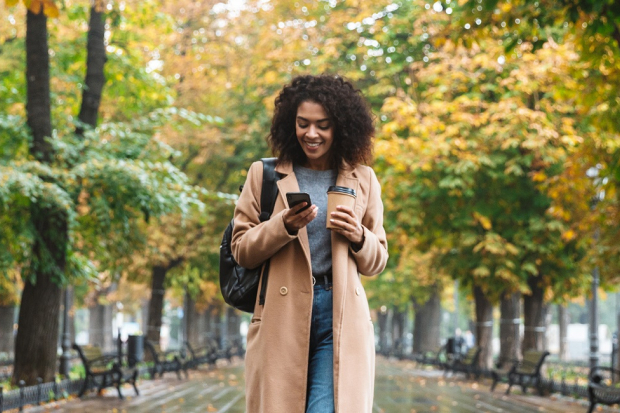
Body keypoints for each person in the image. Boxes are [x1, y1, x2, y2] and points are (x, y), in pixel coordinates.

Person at [231, 74, 388, 413]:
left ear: (341, 128)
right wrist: (282, 225)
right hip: (280, 315)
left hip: (340, 316)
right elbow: (241, 249)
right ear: (291, 124)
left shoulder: (363, 179)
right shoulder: (265, 175)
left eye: (323, 125)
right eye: (303, 124)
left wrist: (359, 236)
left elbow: (377, 261)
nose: (311, 134)